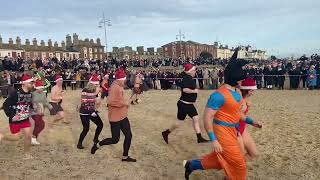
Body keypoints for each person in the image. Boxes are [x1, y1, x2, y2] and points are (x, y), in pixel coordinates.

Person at [183, 49, 255, 180]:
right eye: (240, 79)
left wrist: (251, 122)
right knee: (239, 165)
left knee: (221, 160)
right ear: (234, 77)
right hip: (222, 132)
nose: (242, 81)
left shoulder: (237, 91)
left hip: (233, 131)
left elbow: (237, 113)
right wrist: (213, 139)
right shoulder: (218, 95)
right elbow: (207, 118)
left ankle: (191, 165)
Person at [91, 68, 136, 162]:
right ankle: (98, 145)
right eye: (124, 80)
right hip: (115, 118)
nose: (125, 81)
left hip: (123, 115)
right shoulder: (115, 87)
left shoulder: (119, 85)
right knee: (115, 139)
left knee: (129, 136)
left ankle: (125, 156)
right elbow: (110, 101)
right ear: (120, 80)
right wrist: (124, 103)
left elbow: (120, 99)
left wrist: (127, 101)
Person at [162, 63, 208, 144]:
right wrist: (194, 91)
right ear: (189, 71)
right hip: (184, 104)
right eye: (194, 70)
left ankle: (199, 137)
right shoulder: (187, 78)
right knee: (179, 122)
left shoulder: (188, 77)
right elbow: (185, 90)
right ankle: (166, 133)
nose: (195, 72)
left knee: (195, 118)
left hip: (188, 104)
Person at [2, 74, 34, 159]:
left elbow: (29, 105)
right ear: (24, 83)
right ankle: (2, 136)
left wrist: (33, 109)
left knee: (28, 135)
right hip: (15, 120)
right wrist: (12, 116)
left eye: (33, 83)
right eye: (31, 83)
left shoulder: (30, 94)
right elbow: (5, 105)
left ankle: (27, 153)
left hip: (25, 119)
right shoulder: (15, 93)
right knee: (16, 138)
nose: (32, 84)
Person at [237, 77, 262, 160]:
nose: (252, 93)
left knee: (253, 154)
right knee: (239, 156)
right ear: (246, 90)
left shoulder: (245, 99)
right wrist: (252, 122)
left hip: (242, 127)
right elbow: (238, 114)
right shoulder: (238, 99)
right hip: (234, 129)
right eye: (251, 91)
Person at [77, 74, 104, 150]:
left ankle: (95, 138)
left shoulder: (94, 90)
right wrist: (92, 111)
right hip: (85, 112)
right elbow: (84, 103)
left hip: (91, 111)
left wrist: (98, 96)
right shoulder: (85, 90)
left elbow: (94, 100)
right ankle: (79, 143)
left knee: (100, 125)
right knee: (86, 129)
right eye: (97, 84)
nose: (98, 86)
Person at [31, 79, 53, 145]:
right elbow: (29, 102)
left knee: (38, 125)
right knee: (41, 124)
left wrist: (50, 107)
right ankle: (33, 137)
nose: (41, 89)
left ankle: (33, 139)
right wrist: (33, 105)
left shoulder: (43, 93)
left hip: (41, 111)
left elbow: (45, 102)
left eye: (42, 88)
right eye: (40, 88)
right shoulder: (33, 94)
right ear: (37, 88)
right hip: (34, 112)